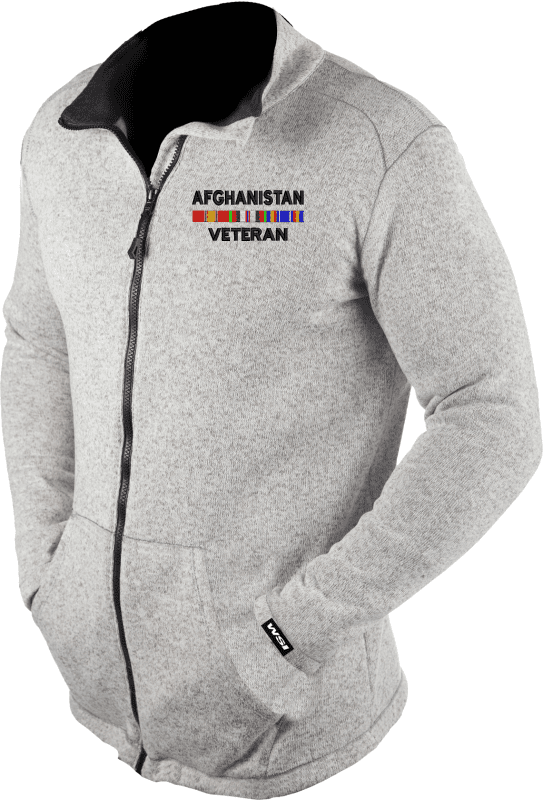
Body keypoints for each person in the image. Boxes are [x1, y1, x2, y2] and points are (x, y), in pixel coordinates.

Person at [1, 2, 541, 797]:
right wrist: (44, 562)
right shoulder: (61, 132)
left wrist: (295, 629)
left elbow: (492, 414)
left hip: (300, 718)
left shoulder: (376, 143)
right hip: (88, 701)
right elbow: (40, 344)